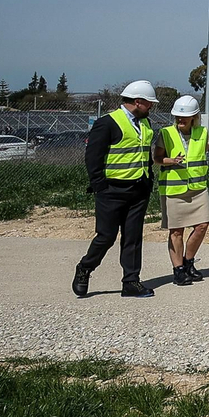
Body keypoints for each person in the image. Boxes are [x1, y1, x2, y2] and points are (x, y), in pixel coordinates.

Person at [73, 80, 158, 298]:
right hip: (111, 191)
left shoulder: (145, 124)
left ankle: (131, 281)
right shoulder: (108, 122)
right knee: (106, 236)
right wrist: (100, 186)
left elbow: (143, 154)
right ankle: (85, 268)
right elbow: (93, 158)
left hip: (139, 189)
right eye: (149, 104)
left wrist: (148, 180)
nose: (152, 108)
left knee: (133, 237)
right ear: (138, 102)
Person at [156, 95, 209, 286]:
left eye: (185, 117)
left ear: (194, 117)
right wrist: (171, 161)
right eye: (178, 117)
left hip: (198, 188)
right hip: (174, 189)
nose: (181, 120)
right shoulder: (165, 133)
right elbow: (156, 159)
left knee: (202, 225)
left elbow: (203, 153)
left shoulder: (203, 133)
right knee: (176, 231)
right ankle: (178, 270)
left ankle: (189, 262)